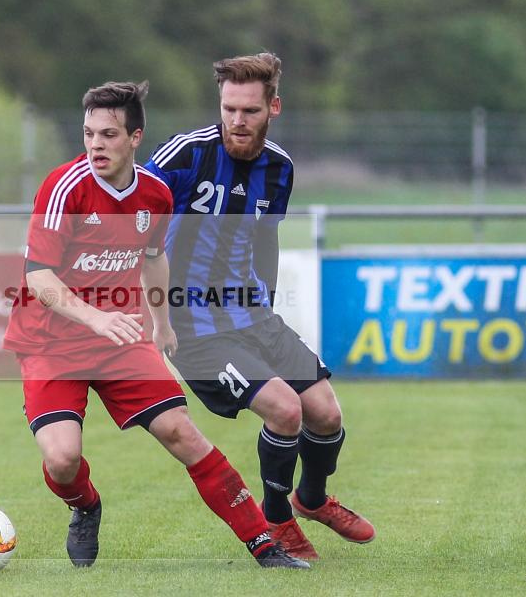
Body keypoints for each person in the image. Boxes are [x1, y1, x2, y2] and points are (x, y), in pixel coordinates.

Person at [3, 80, 307, 569]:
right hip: (51, 342)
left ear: (135, 137)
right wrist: (96, 317)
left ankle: (263, 544)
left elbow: (153, 259)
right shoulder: (64, 187)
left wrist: (162, 324)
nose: (95, 146)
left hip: (120, 339)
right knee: (62, 459)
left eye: (108, 135)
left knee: (181, 433)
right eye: (88, 134)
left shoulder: (156, 192)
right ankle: (85, 505)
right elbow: (38, 276)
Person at [144, 54, 375, 560]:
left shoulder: (280, 169)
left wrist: (265, 302)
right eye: (228, 108)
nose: (237, 120)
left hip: (252, 315)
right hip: (191, 325)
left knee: (325, 413)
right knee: (285, 409)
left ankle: (311, 500)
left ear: (274, 107)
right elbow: (132, 211)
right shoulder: (185, 155)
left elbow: (266, 239)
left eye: (249, 110)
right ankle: (277, 519)